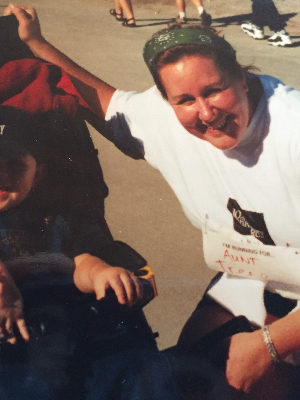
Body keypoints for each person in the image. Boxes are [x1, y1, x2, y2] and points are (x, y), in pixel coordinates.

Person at [6, 3, 300, 398]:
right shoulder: (166, 118)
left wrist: (271, 343)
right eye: (185, 100)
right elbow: (105, 104)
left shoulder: (291, 129)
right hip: (255, 272)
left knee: (254, 372)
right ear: (166, 101)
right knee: (197, 369)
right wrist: (36, 43)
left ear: (243, 79)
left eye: (215, 90)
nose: (207, 112)